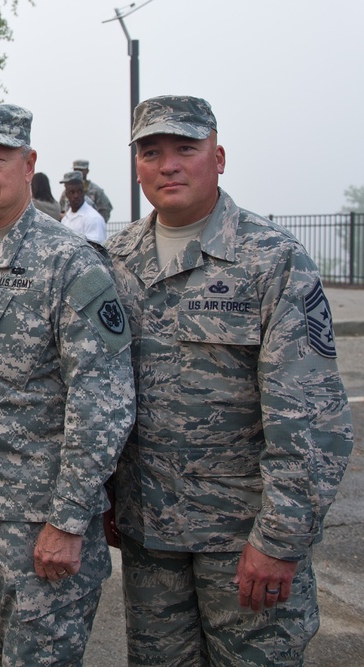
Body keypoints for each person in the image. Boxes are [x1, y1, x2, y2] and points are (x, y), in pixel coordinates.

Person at [104, 95, 354, 666]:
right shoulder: (114, 261)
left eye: (185, 149)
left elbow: (310, 416)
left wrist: (281, 540)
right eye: (151, 151)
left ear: (218, 158)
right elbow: (100, 393)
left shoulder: (272, 260)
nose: (168, 164)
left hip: (243, 540)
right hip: (149, 537)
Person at [0, 103, 135, 666]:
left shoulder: (70, 262)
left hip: (39, 527)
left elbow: (103, 400)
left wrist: (68, 520)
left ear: (28, 163)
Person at [60, 170, 107, 243]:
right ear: (66, 195)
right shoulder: (65, 219)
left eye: (79, 191)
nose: (76, 196)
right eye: (72, 192)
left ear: (84, 192)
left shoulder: (93, 218)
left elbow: (95, 249)